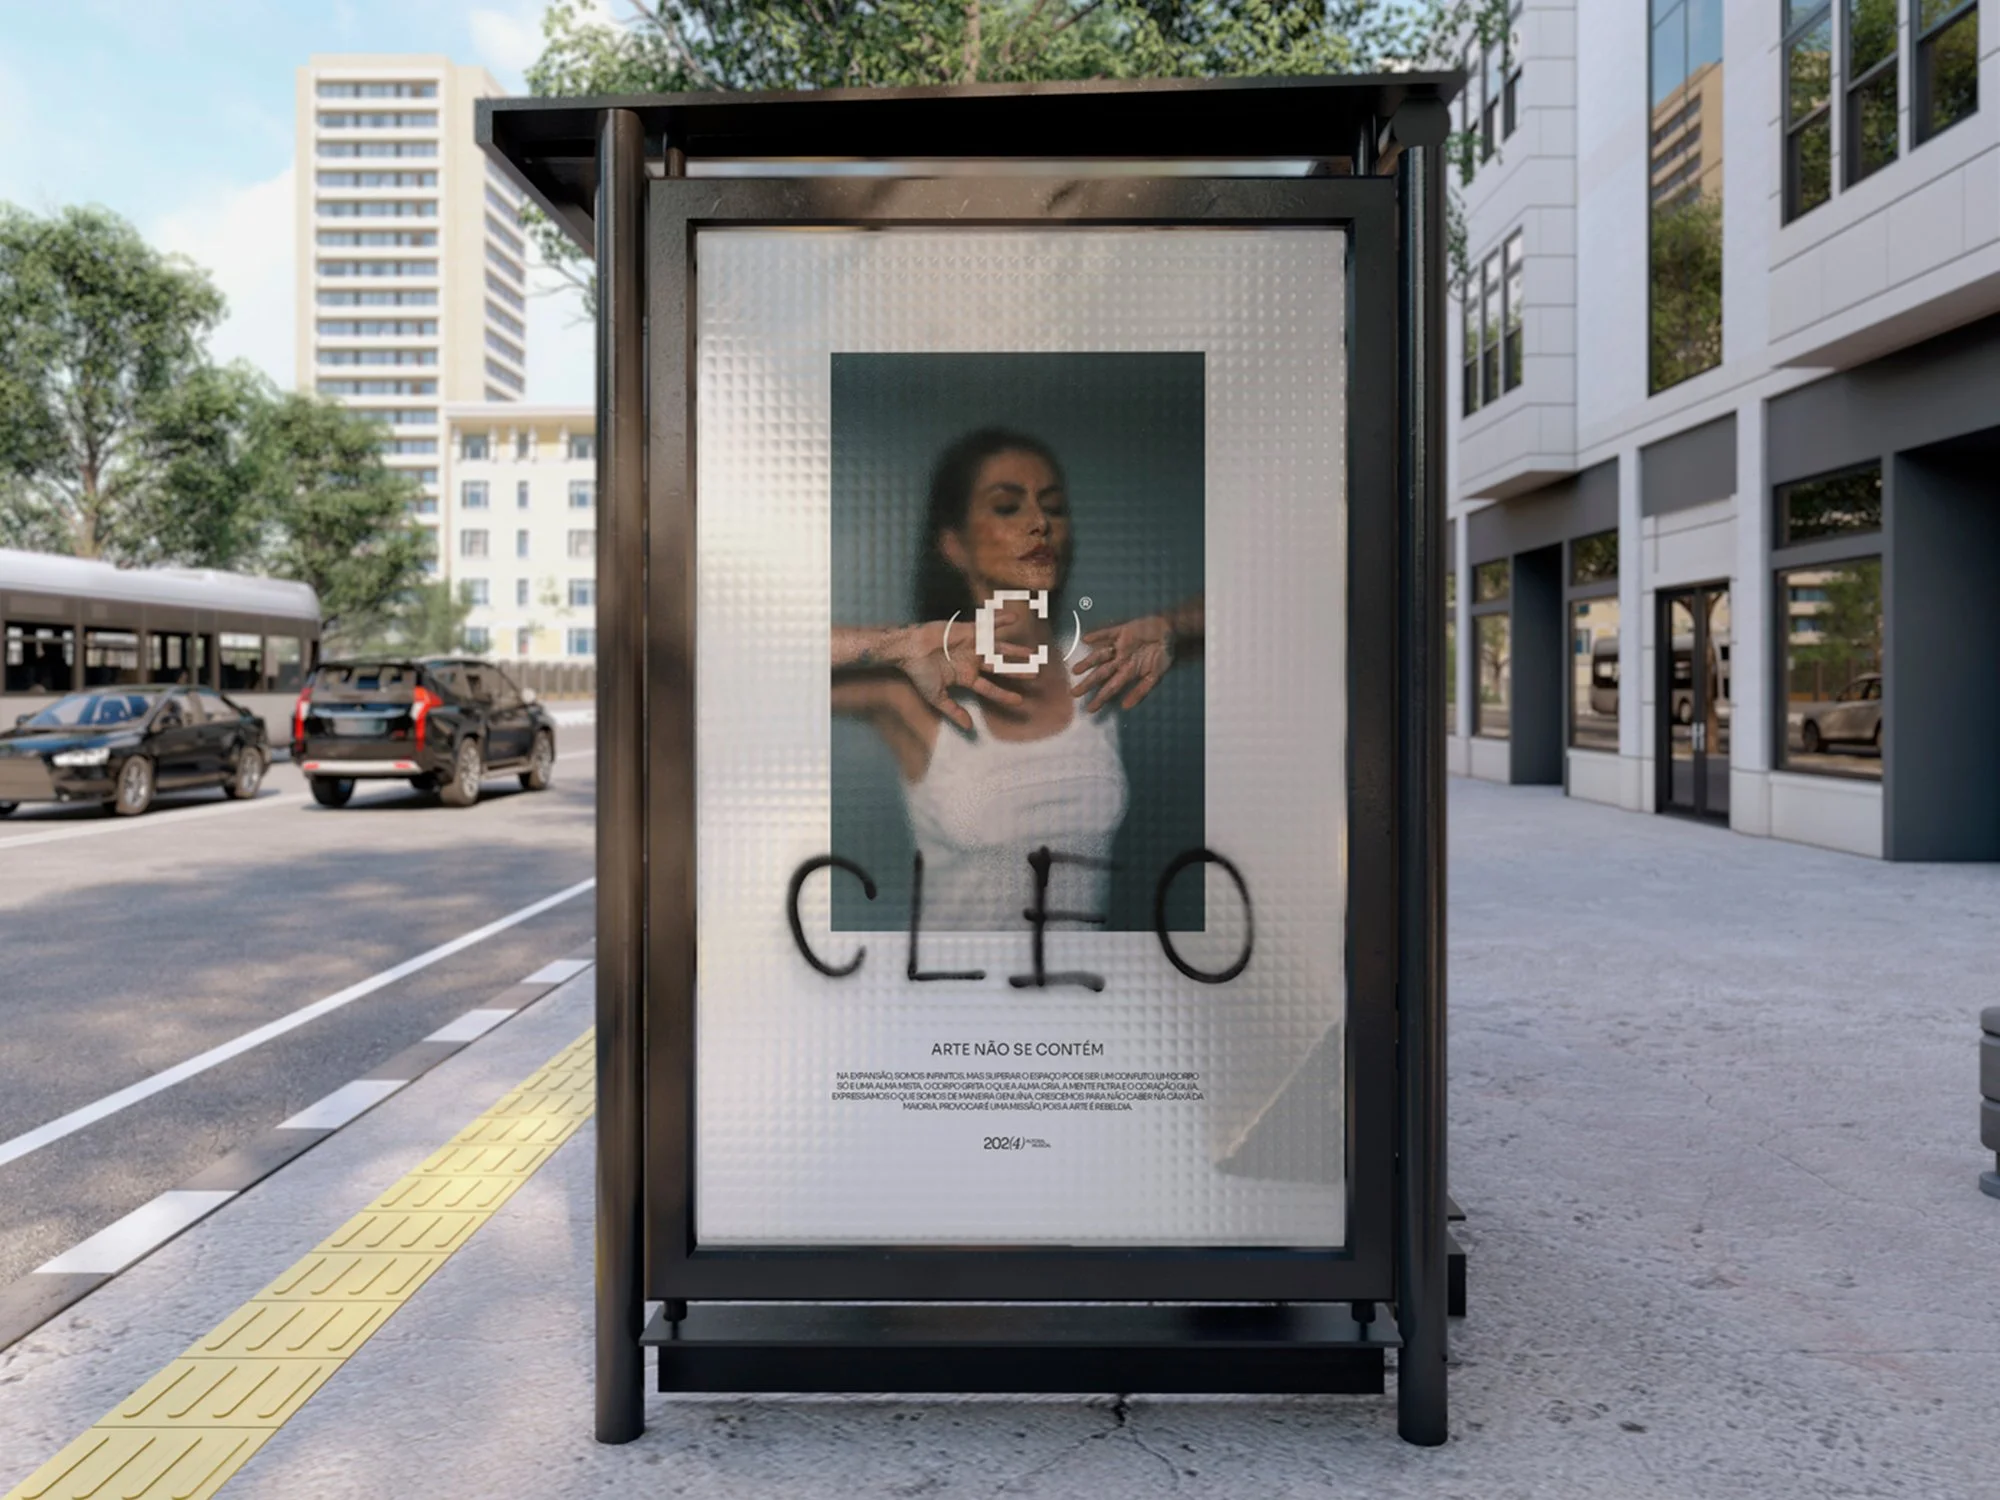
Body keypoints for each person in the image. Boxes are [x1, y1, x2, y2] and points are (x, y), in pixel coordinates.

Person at [832, 427, 1202, 930]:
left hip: (1081, 1000)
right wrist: (903, 644)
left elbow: (1271, 607)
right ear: (953, 544)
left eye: (1053, 506)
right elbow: (743, 657)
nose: (1039, 523)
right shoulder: (908, 694)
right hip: (951, 1002)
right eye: (1008, 507)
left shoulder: (1099, 665)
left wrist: (1173, 627)